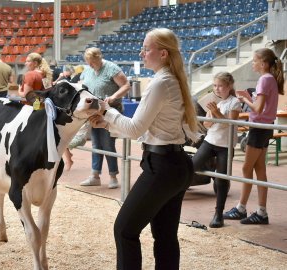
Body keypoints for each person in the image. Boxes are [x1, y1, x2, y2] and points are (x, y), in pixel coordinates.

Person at [89, 28, 197, 269]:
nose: (142, 52)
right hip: (176, 164)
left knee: (124, 230)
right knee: (165, 236)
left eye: (147, 48)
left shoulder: (160, 83)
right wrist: (108, 123)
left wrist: (106, 110)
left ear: (163, 54)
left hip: (163, 168)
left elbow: (136, 129)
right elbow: (147, 129)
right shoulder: (172, 80)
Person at [224, 48, 285, 225]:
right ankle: (261, 211)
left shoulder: (264, 80)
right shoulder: (271, 79)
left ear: (263, 63)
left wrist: (245, 100)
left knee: (246, 168)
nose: (252, 63)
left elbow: (257, 108)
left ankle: (241, 208)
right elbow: (262, 106)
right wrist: (251, 98)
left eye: (254, 60)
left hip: (259, 128)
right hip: (266, 127)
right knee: (259, 169)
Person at [192, 72, 241, 228]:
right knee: (192, 166)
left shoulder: (235, 102)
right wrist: (211, 114)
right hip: (210, 141)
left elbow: (230, 123)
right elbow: (207, 125)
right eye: (215, 86)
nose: (217, 89)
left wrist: (217, 113)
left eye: (220, 86)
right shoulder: (215, 102)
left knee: (221, 180)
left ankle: (218, 214)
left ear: (229, 86)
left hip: (225, 145)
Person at [79, 47, 130, 189]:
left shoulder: (111, 68)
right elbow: (83, 85)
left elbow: (126, 85)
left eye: (92, 62)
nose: (90, 65)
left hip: (110, 110)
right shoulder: (88, 69)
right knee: (96, 144)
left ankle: (113, 176)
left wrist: (114, 97)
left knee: (108, 144)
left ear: (99, 59)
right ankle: (95, 175)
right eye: (88, 62)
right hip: (94, 110)